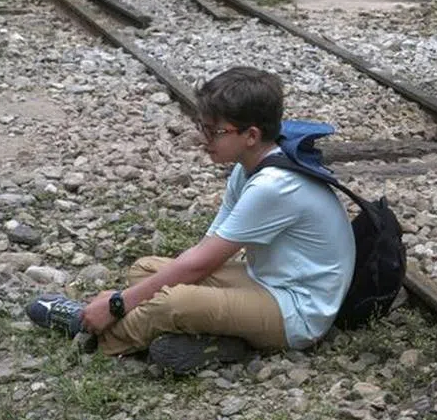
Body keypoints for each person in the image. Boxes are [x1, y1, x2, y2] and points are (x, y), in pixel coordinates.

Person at [26, 66, 357, 373]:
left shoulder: (275, 186)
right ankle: (218, 342)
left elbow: (198, 266)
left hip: (297, 313)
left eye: (214, 131)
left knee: (176, 301)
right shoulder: (249, 170)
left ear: (251, 135)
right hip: (267, 282)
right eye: (203, 127)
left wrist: (117, 304)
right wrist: (133, 296)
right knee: (145, 269)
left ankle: (90, 329)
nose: (204, 139)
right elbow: (204, 250)